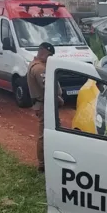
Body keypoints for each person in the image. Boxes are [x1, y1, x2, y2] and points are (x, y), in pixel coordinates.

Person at [27, 42, 63, 173]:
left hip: (40, 104)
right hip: (44, 104)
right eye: (49, 55)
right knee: (44, 134)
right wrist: (58, 98)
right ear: (42, 52)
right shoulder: (40, 68)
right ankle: (43, 164)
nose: (50, 58)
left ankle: (45, 161)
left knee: (46, 133)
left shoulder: (34, 65)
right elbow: (48, 88)